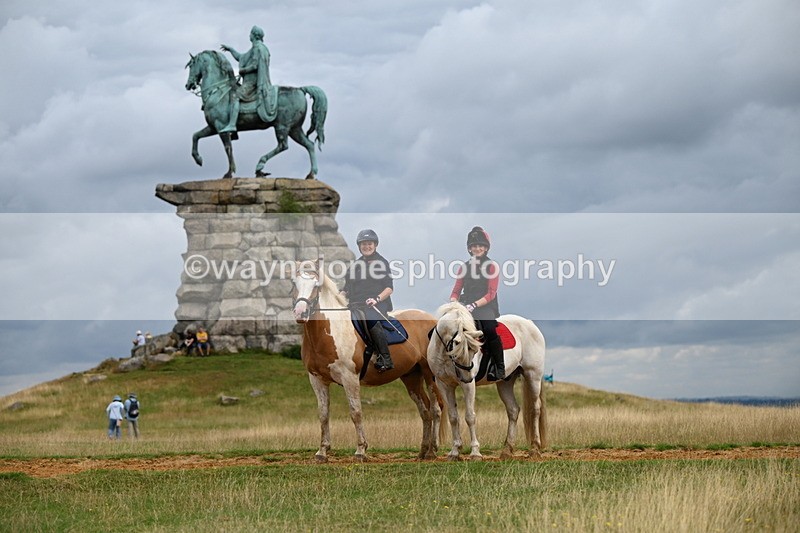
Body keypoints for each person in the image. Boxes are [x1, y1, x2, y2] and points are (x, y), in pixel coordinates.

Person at [450, 226, 504, 381]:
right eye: (474, 246)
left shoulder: (492, 266)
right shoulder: (464, 267)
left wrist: (474, 305)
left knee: (489, 329)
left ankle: (499, 366)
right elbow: (456, 291)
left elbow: (491, 293)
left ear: (486, 248)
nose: (477, 248)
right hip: (465, 305)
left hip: (485, 305)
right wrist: (454, 303)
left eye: (480, 246)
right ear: (469, 249)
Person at [342, 229, 395, 372]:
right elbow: (346, 288)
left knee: (371, 320)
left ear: (375, 245)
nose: (367, 246)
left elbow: (389, 288)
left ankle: (385, 358)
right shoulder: (354, 266)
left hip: (375, 305)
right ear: (359, 246)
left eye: (369, 244)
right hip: (355, 305)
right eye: (364, 244)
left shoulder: (382, 263)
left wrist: (376, 299)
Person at [220, 25, 277, 133]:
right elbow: (241, 57)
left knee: (235, 96)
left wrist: (243, 70)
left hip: (253, 83)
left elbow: (255, 65)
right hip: (252, 81)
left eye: (250, 33)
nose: (249, 35)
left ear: (254, 35)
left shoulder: (257, 48)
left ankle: (232, 125)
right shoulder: (259, 48)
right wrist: (231, 50)